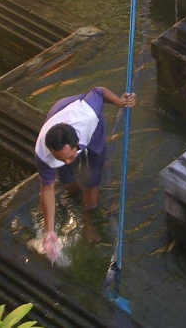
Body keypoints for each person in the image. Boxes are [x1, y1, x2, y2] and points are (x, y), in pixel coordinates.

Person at [35, 86, 136, 258]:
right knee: (68, 180)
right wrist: (49, 232)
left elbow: (99, 91)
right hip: (58, 113)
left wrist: (121, 102)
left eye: (70, 156)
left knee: (92, 179)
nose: (67, 161)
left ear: (77, 144)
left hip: (93, 131)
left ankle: (89, 221)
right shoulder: (43, 154)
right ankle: (75, 193)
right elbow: (47, 188)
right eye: (60, 158)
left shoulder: (87, 114)